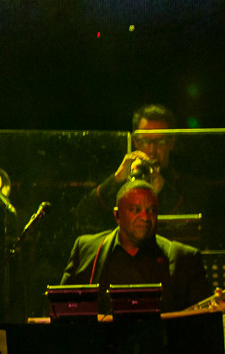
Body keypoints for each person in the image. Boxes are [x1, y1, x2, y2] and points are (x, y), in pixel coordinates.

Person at [61, 179, 214, 314]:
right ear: (117, 215)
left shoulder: (184, 258)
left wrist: (222, 309)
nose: (145, 217)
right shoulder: (86, 249)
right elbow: (62, 307)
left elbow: (205, 318)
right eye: (136, 210)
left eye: (151, 210)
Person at [73, 104, 206, 235]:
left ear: (171, 143)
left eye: (160, 141)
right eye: (146, 141)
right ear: (136, 142)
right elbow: (82, 216)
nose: (152, 150)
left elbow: (193, 226)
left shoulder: (187, 184)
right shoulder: (121, 178)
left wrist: (163, 191)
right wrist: (116, 179)